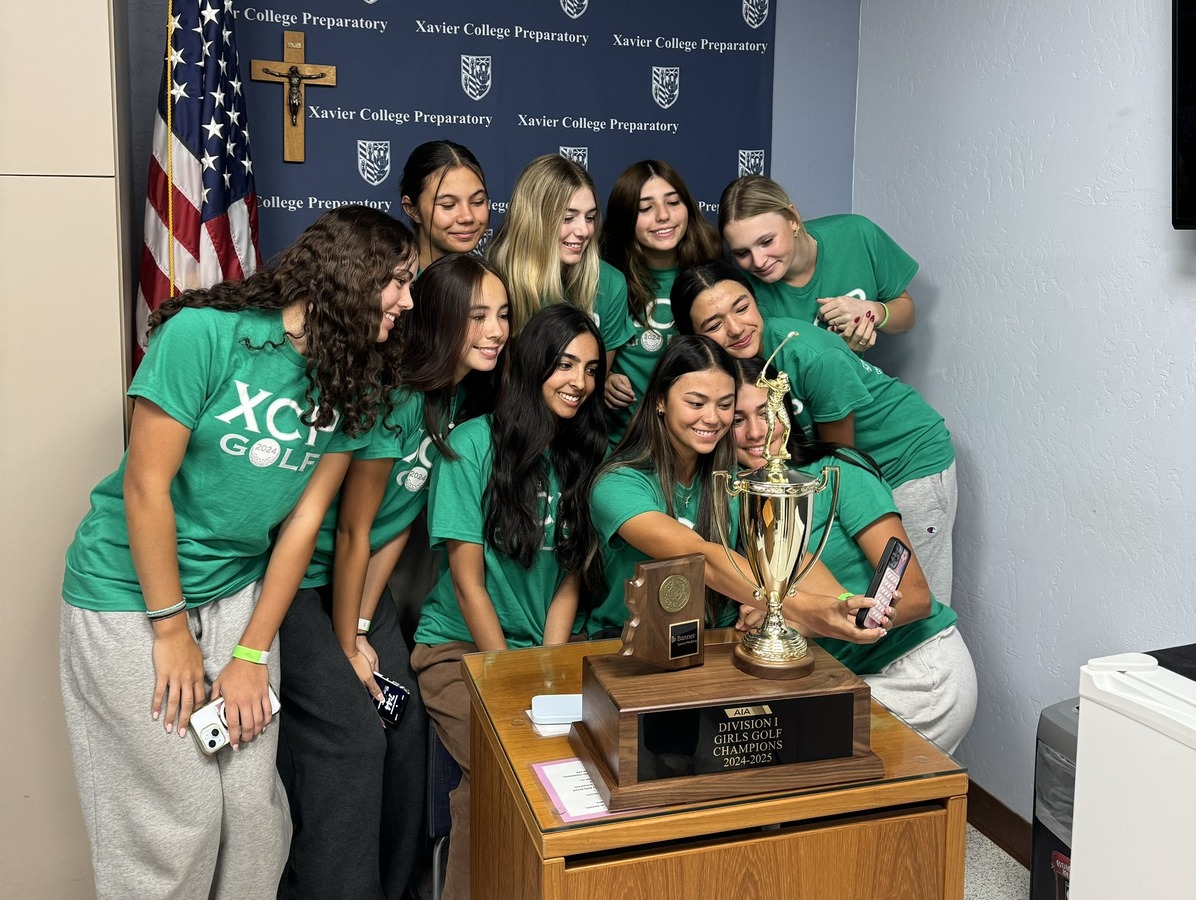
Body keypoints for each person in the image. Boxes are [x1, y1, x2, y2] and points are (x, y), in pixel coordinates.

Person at [59, 206, 417, 900]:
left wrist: (251, 653)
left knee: (254, 816)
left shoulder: (353, 380)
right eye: (397, 282)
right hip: (129, 591)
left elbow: (304, 524)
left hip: (235, 593)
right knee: (180, 819)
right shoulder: (205, 336)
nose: (407, 301)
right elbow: (145, 487)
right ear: (349, 275)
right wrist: (169, 629)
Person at [276, 255, 509, 900]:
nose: (494, 331)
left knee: (402, 724)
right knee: (352, 734)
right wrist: (350, 641)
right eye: (476, 316)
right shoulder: (392, 391)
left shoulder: (461, 399)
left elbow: (395, 524)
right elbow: (351, 530)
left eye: (502, 316)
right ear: (438, 319)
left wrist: (362, 623)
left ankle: (401, 888)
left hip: (358, 590)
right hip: (302, 583)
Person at [411, 304, 608, 900]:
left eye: (592, 368)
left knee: (589, 767)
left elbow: (570, 578)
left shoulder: (585, 455)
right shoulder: (471, 445)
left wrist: (547, 667)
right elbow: (468, 582)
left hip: (547, 650)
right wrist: (509, 677)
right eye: (565, 364)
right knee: (497, 772)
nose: (579, 381)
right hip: (461, 650)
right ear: (532, 366)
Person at [672, 261, 958, 606]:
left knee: (913, 599)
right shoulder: (720, 374)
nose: (735, 328)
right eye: (714, 324)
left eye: (742, 307)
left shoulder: (809, 355)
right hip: (861, 471)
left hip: (906, 459)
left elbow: (840, 459)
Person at [732, 356, 976, 753]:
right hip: (836, 675)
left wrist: (801, 619)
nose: (757, 431)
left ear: (787, 411)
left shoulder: (836, 472)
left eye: (766, 411)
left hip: (914, 671)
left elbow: (916, 598)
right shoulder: (731, 495)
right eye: (738, 419)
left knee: (783, 758)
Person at [587, 335, 893, 641]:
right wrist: (806, 610)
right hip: (629, 642)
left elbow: (788, 557)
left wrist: (842, 606)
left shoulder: (738, 481)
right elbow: (699, 556)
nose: (711, 418)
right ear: (660, 401)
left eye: (724, 406)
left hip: (716, 641)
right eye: (696, 403)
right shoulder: (617, 484)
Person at [719, 174, 918, 353]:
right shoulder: (736, 286)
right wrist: (838, 352)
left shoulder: (856, 234)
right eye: (742, 253)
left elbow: (907, 315)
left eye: (767, 241)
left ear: (792, 219)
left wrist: (873, 313)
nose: (759, 261)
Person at [601, 159, 722, 443]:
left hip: (696, 444)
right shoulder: (606, 278)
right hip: (623, 442)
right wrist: (603, 381)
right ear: (625, 218)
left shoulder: (712, 270)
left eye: (673, 202)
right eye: (646, 208)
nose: (664, 215)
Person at [488, 153, 635, 360]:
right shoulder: (495, 280)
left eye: (590, 217)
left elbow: (594, 379)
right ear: (533, 219)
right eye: (568, 218)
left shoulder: (611, 283)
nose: (584, 230)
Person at [400, 140, 490, 271]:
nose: (467, 217)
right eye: (448, 205)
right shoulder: (393, 286)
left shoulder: (491, 282)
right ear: (412, 210)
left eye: (478, 202)